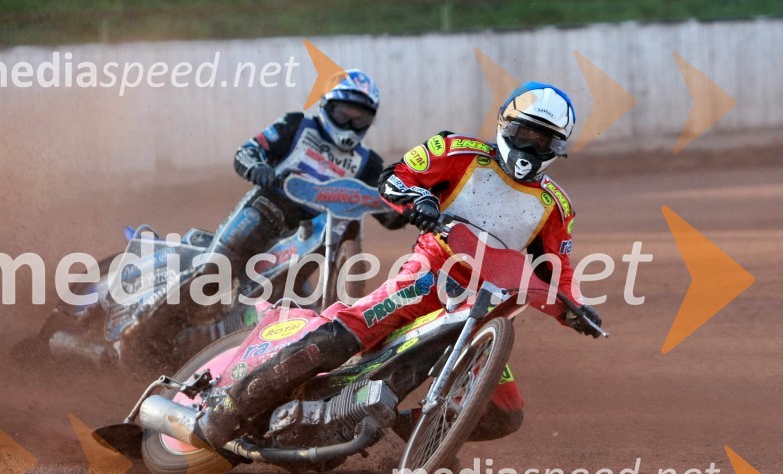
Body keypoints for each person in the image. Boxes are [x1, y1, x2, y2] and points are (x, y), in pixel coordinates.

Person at [202, 81, 603, 448]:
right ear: (503, 125)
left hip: (486, 305)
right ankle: (231, 405)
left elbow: (557, 271)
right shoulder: (457, 151)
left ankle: (411, 437)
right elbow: (396, 177)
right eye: (523, 134)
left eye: (543, 141)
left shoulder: (556, 206)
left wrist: (576, 311)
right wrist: (421, 202)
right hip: (428, 276)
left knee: (504, 414)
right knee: (350, 331)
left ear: (558, 148)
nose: (530, 148)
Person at [200, 68, 405, 308]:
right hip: (268, 211)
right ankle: (161, 319)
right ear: (327, 107)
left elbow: (389, 213)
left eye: (358, 119)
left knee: (300, 315)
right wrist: (258, 167)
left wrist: (411, 206)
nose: (350, 125)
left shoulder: (368, 163)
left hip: (314, 235)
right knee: (213, 273)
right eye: (343, 115)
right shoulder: (295, 125)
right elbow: (247, 151)